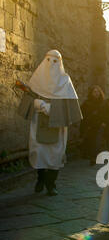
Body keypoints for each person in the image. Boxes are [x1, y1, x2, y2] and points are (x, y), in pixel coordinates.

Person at [17, 50, 82, 195]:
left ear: (59, 63)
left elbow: (68, 106)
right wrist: (37, 104)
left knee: (55, 154)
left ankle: (51, 184)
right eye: (48, 60)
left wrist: (49, 108)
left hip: (57, 125)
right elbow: (29, 98)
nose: (51, 64)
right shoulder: (36, 79)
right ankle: (40, 178)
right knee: (39, 152)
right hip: (38, 122)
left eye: (55, 61)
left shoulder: (65, 82)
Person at [80, 85, 109, 164]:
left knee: (97, 142)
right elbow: (82, 113)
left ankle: (95, 157)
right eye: (94, 92)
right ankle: (91, 156)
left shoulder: (104, 103)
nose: (96, 93)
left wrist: (105, 122)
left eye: (98, 92)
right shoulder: (87, 103)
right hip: (90, 125)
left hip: (100, 125)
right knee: (90, 141)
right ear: (91, 93)